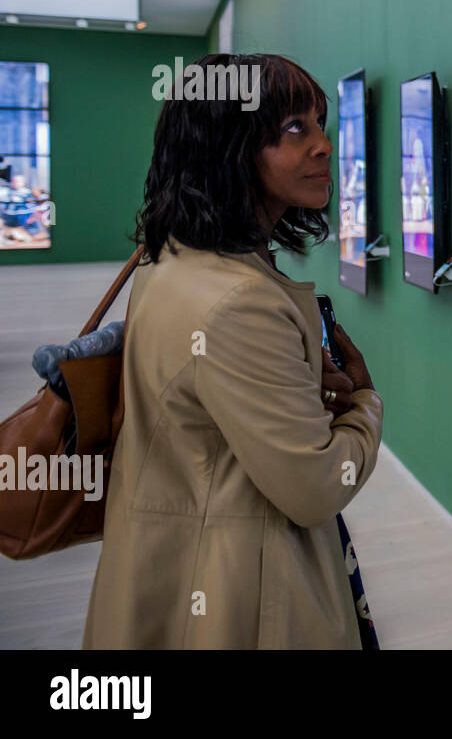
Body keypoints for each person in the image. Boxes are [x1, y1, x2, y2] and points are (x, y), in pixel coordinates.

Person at [83, 54, 384, 648]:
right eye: (294, 128)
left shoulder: (168, 260)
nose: (323, 145)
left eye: (320, 123)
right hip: (237, 597)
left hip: (171, 570)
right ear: (229, 145)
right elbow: (315, 486)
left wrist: (294, 392)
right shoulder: (239, 302)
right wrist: (365, 406)